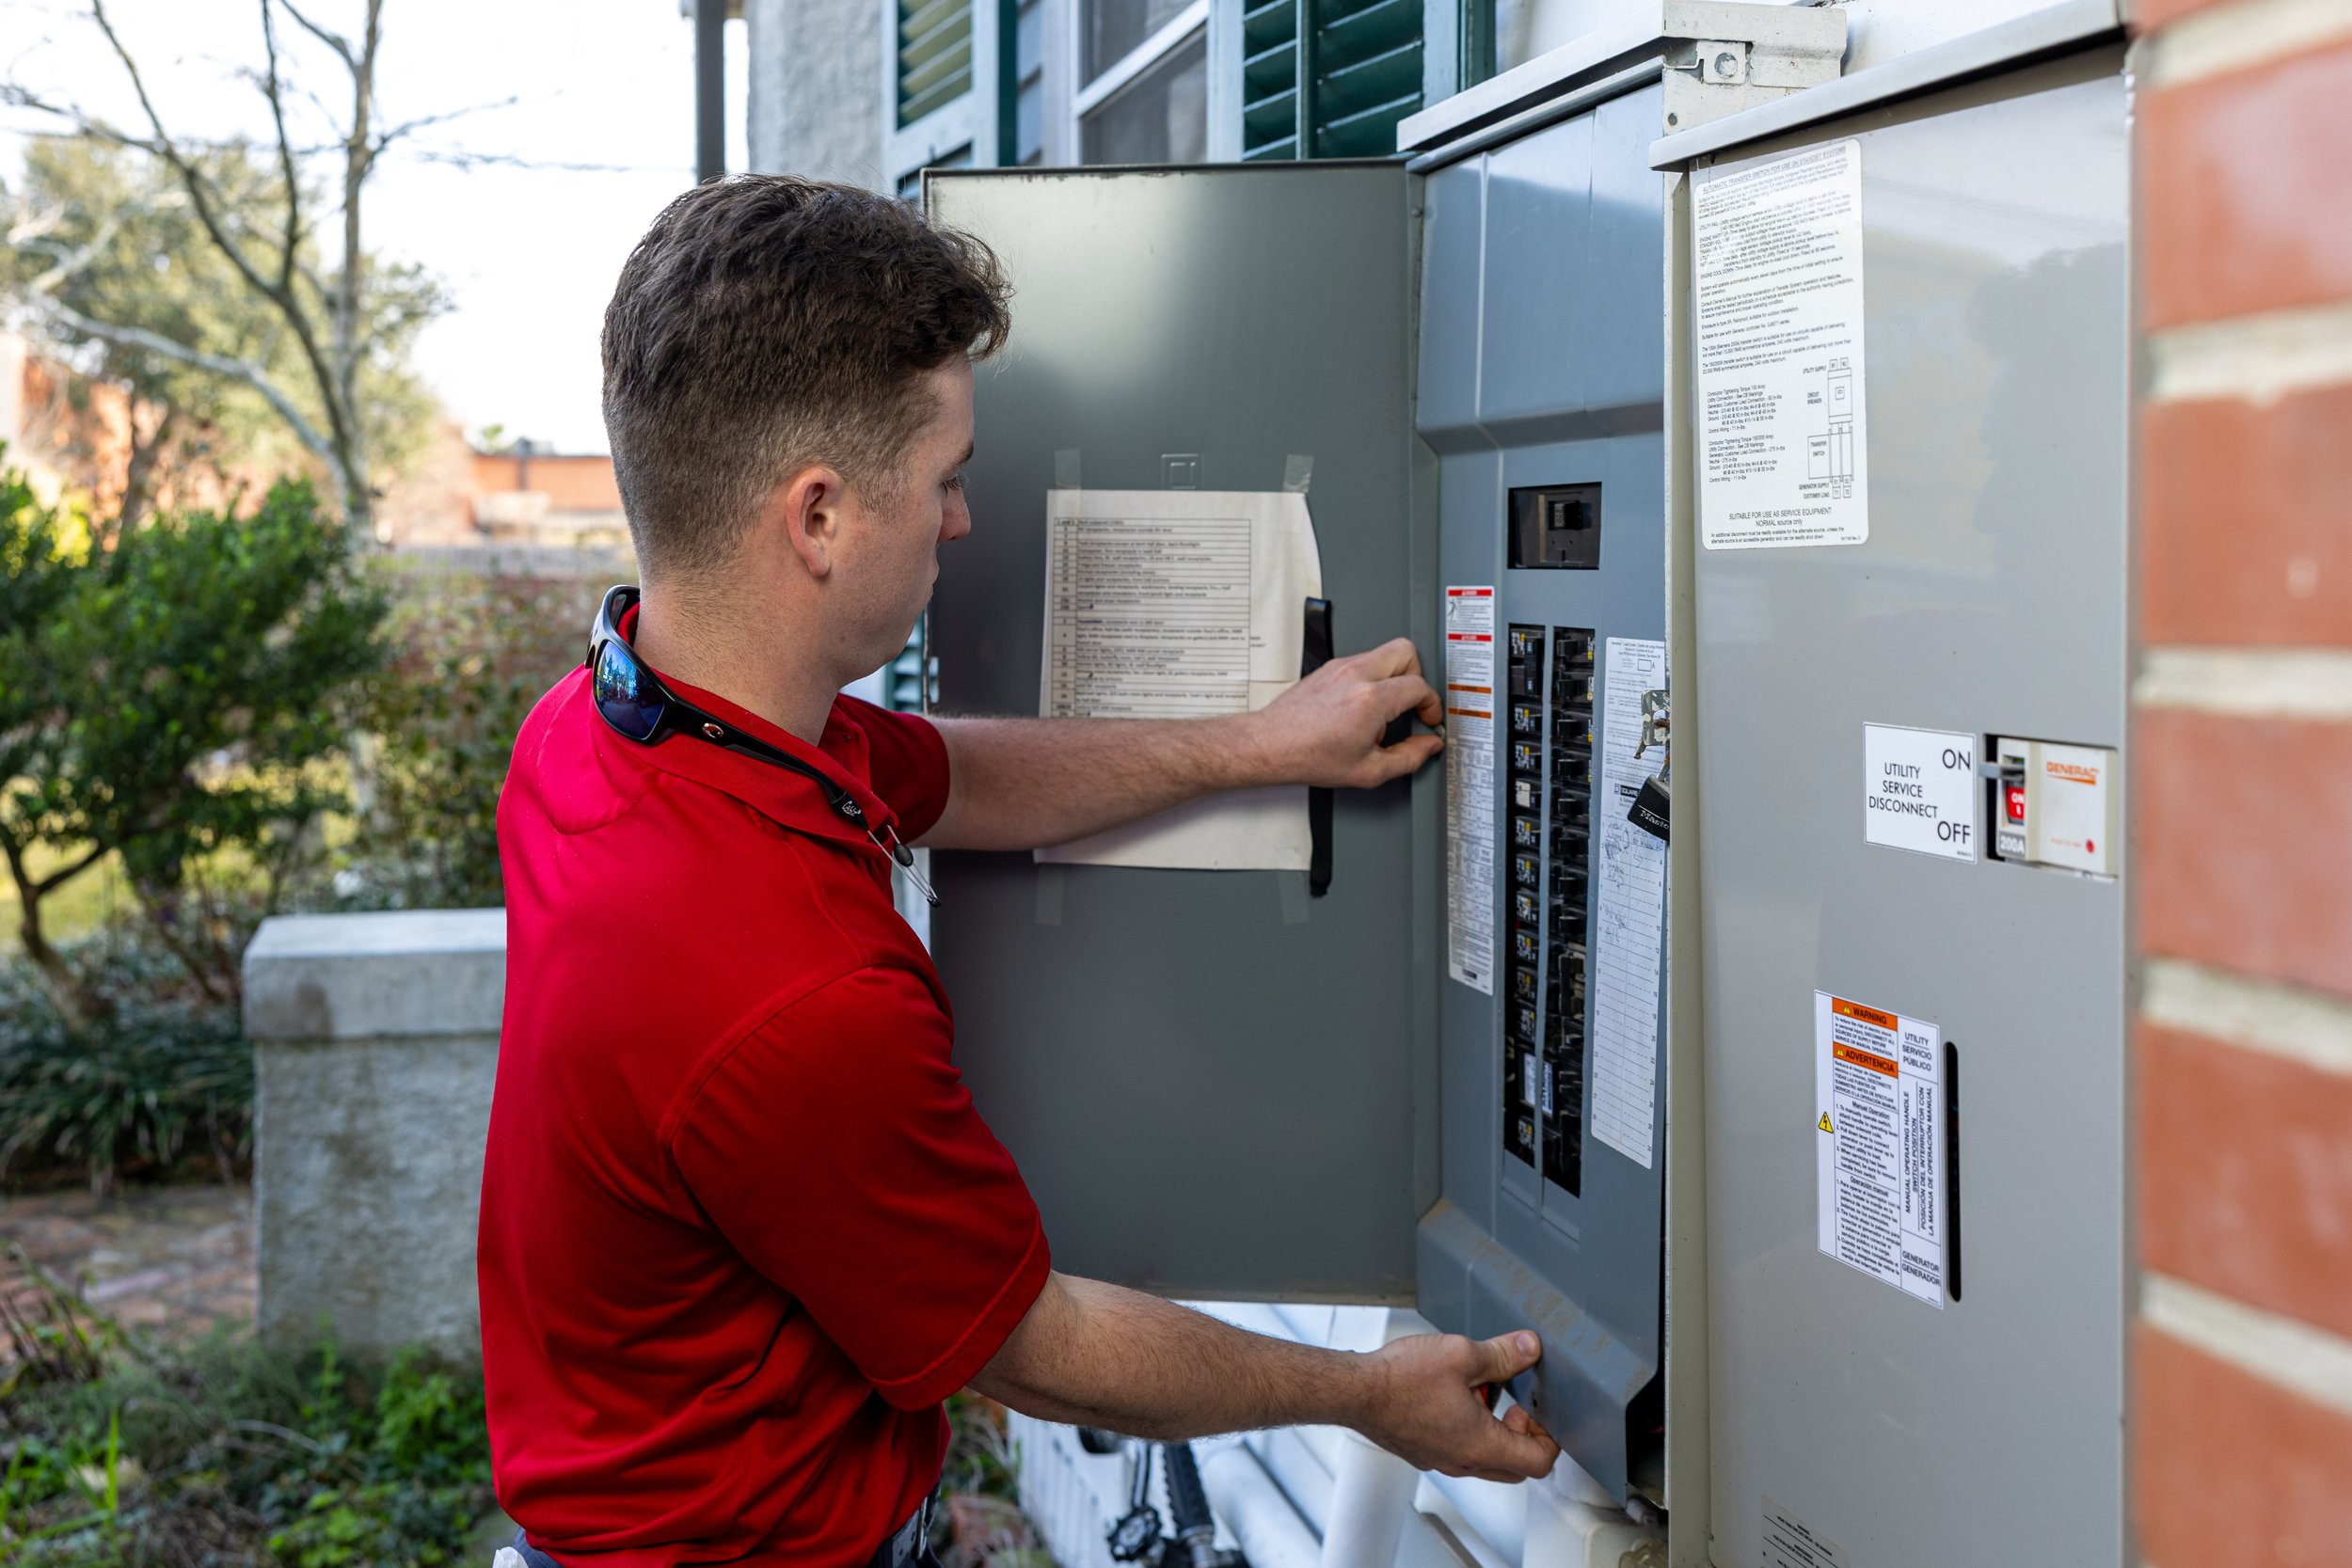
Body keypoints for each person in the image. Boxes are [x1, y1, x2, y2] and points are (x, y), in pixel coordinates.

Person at [476, 175, 1558, 1568]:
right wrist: (1365, 1397)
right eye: (946, 478)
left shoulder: (605, 723)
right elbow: (1028, 1345)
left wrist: (1262, 741)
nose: (966, 521)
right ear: (816, 520)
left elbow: (950, 776)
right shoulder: (789, 993)